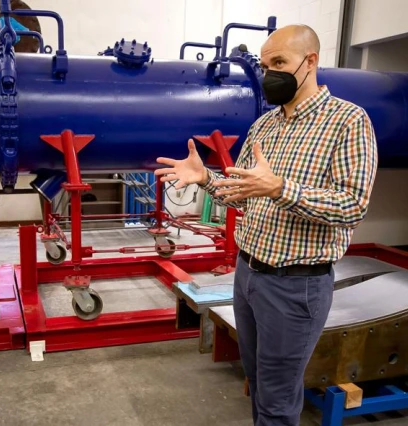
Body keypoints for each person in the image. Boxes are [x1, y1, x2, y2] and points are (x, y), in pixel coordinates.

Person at [155, 24, 378, 425]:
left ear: (310, 62)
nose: (268, 73)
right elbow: (242, 194)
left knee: (277, 401)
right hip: (248, 275)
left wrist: (280, 189)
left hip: (296, 285)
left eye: (279, 63)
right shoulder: (265, 126)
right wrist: (206, 178)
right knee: (257, 383)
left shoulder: (348, 122)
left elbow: (352, 206)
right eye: (264, 65)